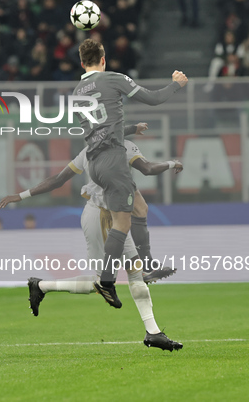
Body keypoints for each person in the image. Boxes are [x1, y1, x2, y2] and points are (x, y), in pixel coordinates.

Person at [0, 130, 184, 351]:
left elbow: (58, 180)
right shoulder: (93, 152)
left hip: (119, 216)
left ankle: (153, 333)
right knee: (102, 283)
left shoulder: (120, 146)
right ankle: (41, 285)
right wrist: (20, 196)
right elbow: (58, 180)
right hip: (98, 217)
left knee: (135, 271)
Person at [73, 38, 187, 308]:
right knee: (122, 224)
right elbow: (154, 98)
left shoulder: (77, 92)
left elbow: (97, 131)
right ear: (103, 59)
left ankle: (144, 265)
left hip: (96, 162)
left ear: (81, 63)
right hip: (114, 159)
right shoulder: (113, 78)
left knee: (139, 207)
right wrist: (176, 84)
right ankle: (108, 280)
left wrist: (130, 128)